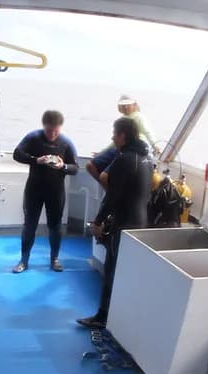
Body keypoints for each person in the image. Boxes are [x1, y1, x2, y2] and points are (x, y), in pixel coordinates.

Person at [77, 117, 153, 330]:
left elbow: (112, 197)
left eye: (115, 134)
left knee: (112, 270)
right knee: (128, 272)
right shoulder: (146, 159)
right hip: (141, 223)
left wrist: (98, 222)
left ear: (123, 135)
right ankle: (123, 318)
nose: (113, 137)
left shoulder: (123, 160)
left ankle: (102, 317)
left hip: (124, 223)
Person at [12, 110, 79, 273]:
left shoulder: (66, 143)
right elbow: (17, 154)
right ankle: (24, 260)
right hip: (34, 190)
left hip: (55, 192)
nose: (52, 135)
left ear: (60, 127)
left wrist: (63, 166)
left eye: (56, 131)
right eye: (49, 131)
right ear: (44, 126)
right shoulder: (33, 138)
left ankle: (54, 259)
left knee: (55, 226)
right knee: (29, 225)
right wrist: (36, 160)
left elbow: (75, 168)